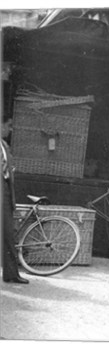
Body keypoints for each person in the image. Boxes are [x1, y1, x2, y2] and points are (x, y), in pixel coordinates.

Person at [1, 118, 29, 284]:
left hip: (4, 190)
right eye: (8, 126)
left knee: (7, 234)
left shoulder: (4, 146)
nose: (10, 130)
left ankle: (11, 274)